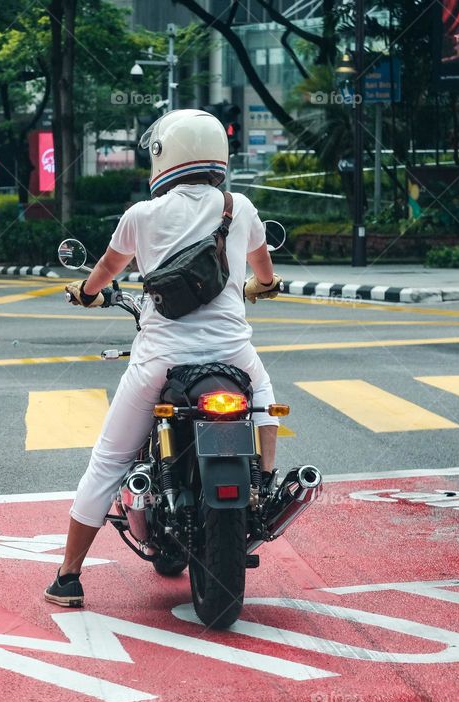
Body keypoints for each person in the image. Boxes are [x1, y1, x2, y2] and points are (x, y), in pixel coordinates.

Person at [44, 109, 283, 607]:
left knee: (108, 460)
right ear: (219, 157)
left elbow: (105, 272)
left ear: (162, 158)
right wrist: (260, 287)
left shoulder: (142, 216)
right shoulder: (240, 209)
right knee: (264, 400)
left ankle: (68, 577)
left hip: (161, 361)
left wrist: (87, 293)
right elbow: (265, 274)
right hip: (233, 357)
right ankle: (261, 482)